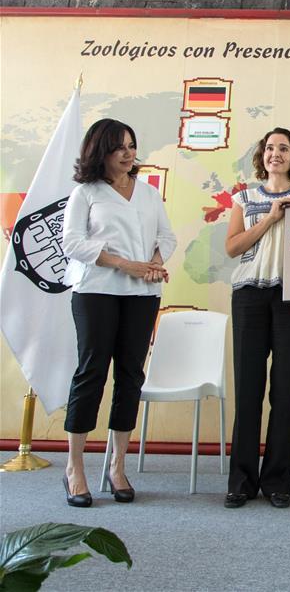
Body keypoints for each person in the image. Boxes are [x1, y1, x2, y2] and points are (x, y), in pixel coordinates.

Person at [61, 118, 176, 507]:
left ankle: (117, 466)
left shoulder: (147, 193)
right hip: (96, 291)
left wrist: (154, 263)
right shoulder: (86, 192)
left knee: (130, 377)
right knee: (91, 373)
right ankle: (75, 467)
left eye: (131, 145)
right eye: (119, 147)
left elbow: (167, 236)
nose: (128, 153)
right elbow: (72, 243)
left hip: (143, 294)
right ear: (101, 151)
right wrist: (125, 264)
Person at [224, 127, 290, 509]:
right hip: (249, 295)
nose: (275, 154)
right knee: (248, 390)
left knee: (285, 392)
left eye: (283, 148)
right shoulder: (243, 198)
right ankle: (241, 482)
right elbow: (233, 247)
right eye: (270, 148)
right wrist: (269, 218)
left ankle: (279, 482)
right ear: (261, 155)